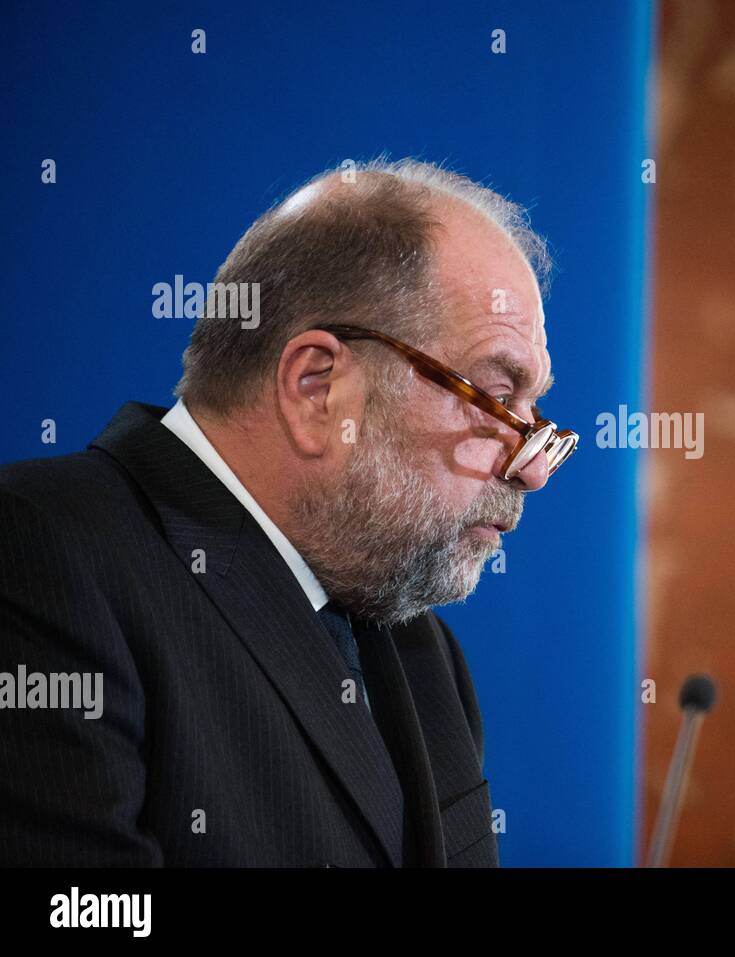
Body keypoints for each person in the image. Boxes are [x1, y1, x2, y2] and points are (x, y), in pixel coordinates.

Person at [0, 159, 575, 866]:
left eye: (536, 417)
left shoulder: (424, 650)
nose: (535, 467)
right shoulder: (38, 554)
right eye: (493, 396)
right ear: (316, 389)